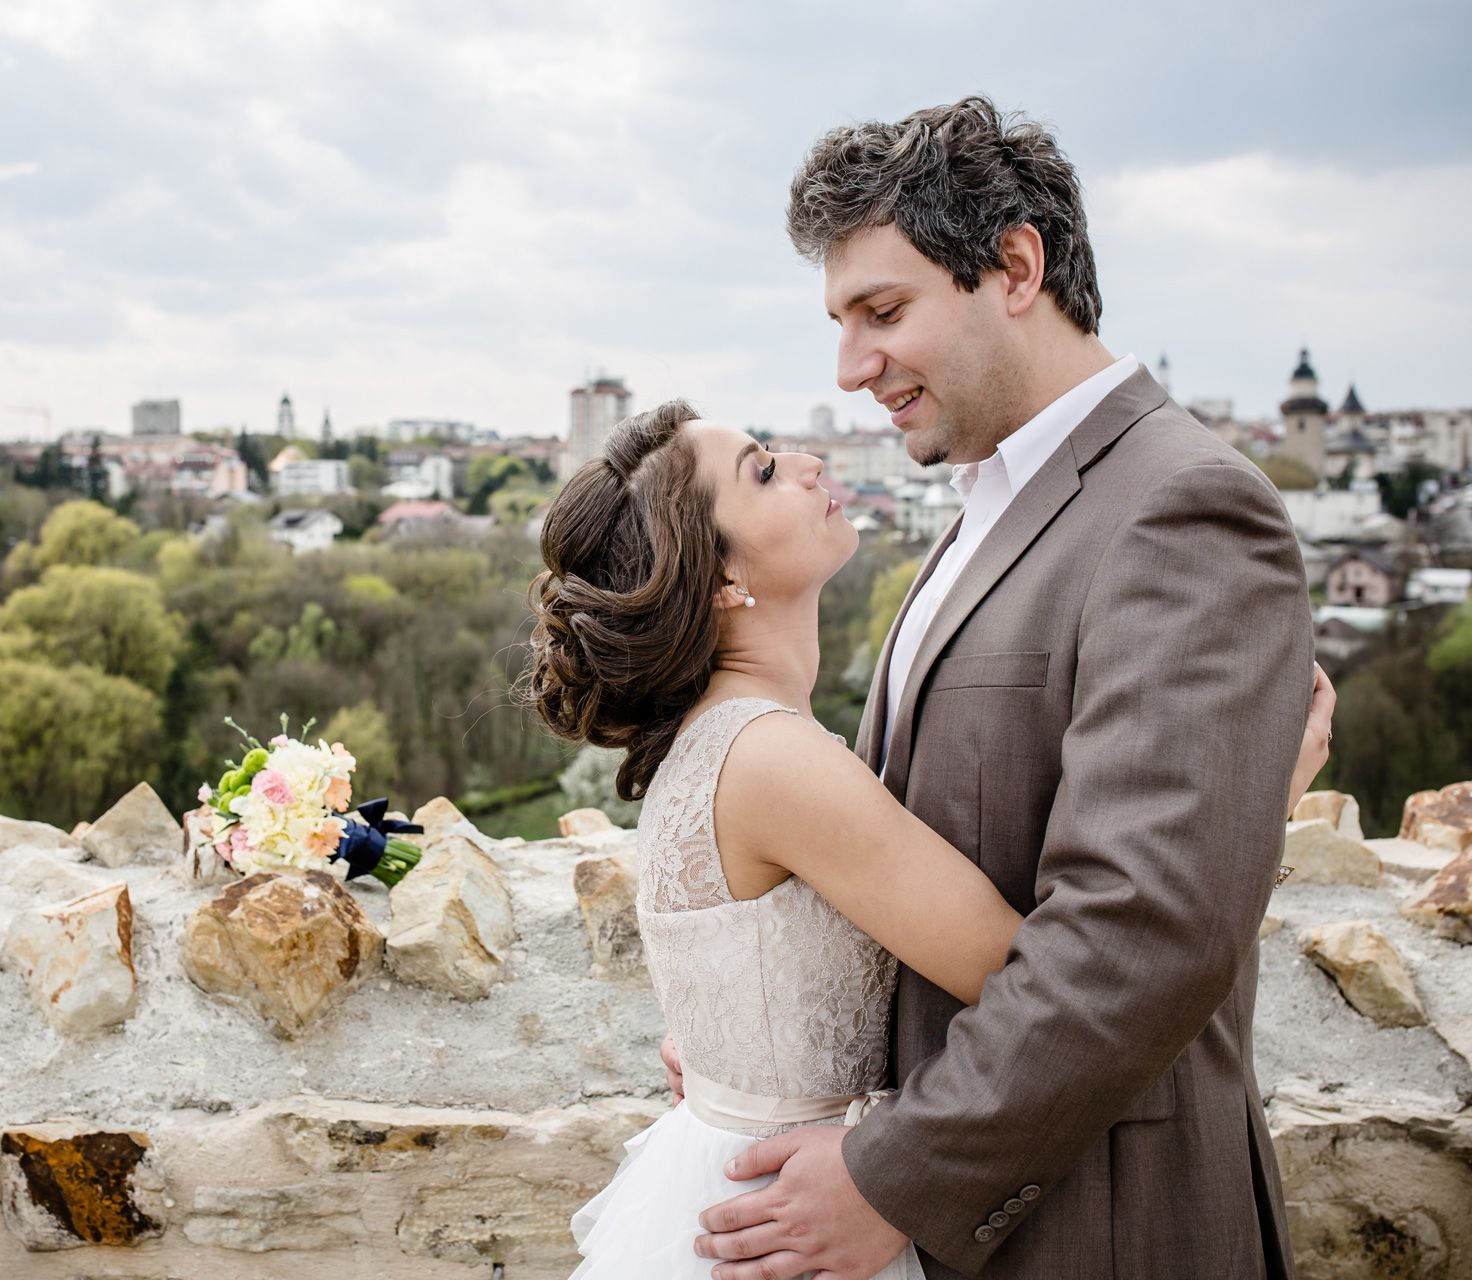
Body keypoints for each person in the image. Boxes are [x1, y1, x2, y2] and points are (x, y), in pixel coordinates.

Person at [527, 98, 1329, 1280]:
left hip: (1108, 1223)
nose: (851, 368)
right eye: (842, 323)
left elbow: (1146, 927)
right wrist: (760, 1040)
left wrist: (891, 1170)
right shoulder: (979, 514)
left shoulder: (1180, 505)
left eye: (884, 312)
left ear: (1017, 267)